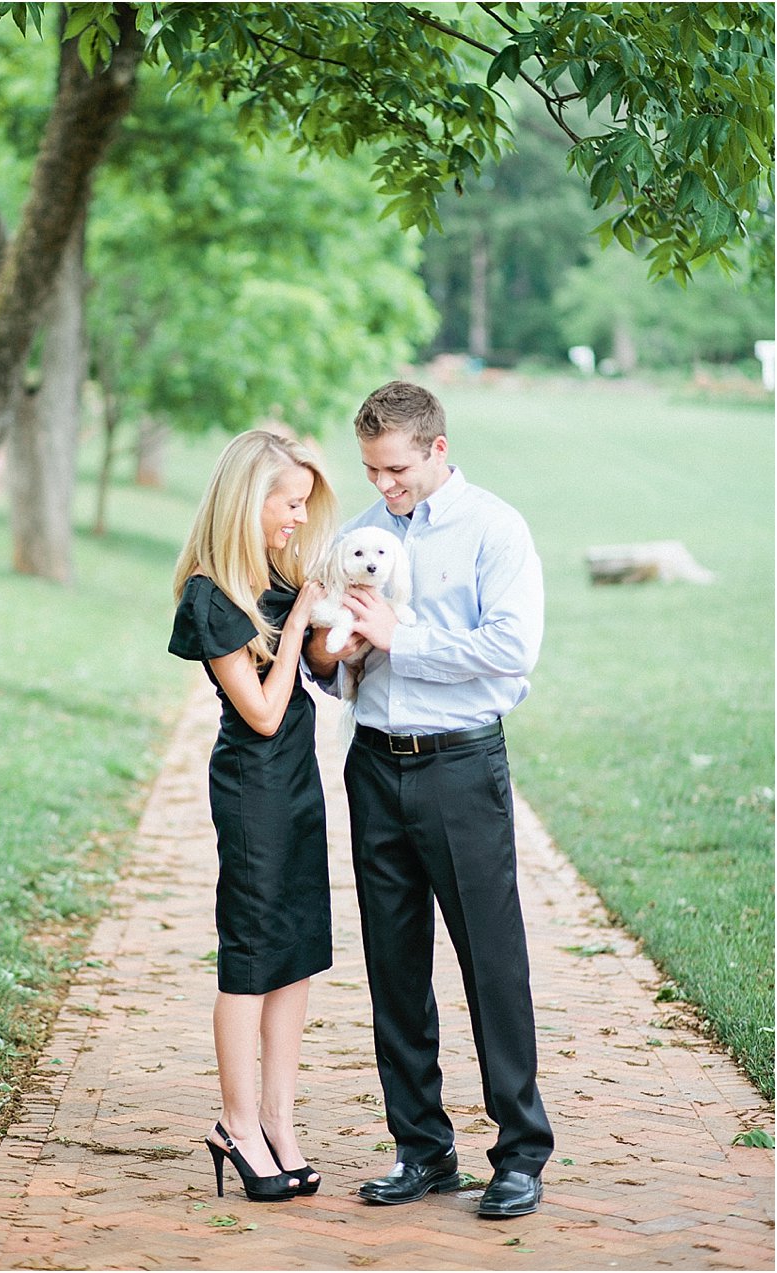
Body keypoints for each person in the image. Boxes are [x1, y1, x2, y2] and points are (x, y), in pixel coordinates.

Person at [305, 381, 554, 1219]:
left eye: (397, 468)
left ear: (437, 449)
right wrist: (329, 651)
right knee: (395, 963)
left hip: (459, 766)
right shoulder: (362, 538)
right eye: (372, 469)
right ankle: (422, 1147)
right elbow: (333, 670)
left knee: (492, 960)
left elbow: (511, 650)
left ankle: (519, 1152)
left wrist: (398, 637)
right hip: (373, 765)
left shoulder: (496, 528)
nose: (384, 485)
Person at [168, 430, 337, 1202]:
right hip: (252, 789)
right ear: (250, 501)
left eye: (306, 503)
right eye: (290, 503)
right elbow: (265, 712)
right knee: (252, 953)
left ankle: (279, 1120)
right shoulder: (213, 595)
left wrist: (334, 619)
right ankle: (236, 1124)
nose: (300, 517)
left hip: (298, 783)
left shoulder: (274, 575)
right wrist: (303, 616)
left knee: (296, 948)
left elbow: (316, 676)